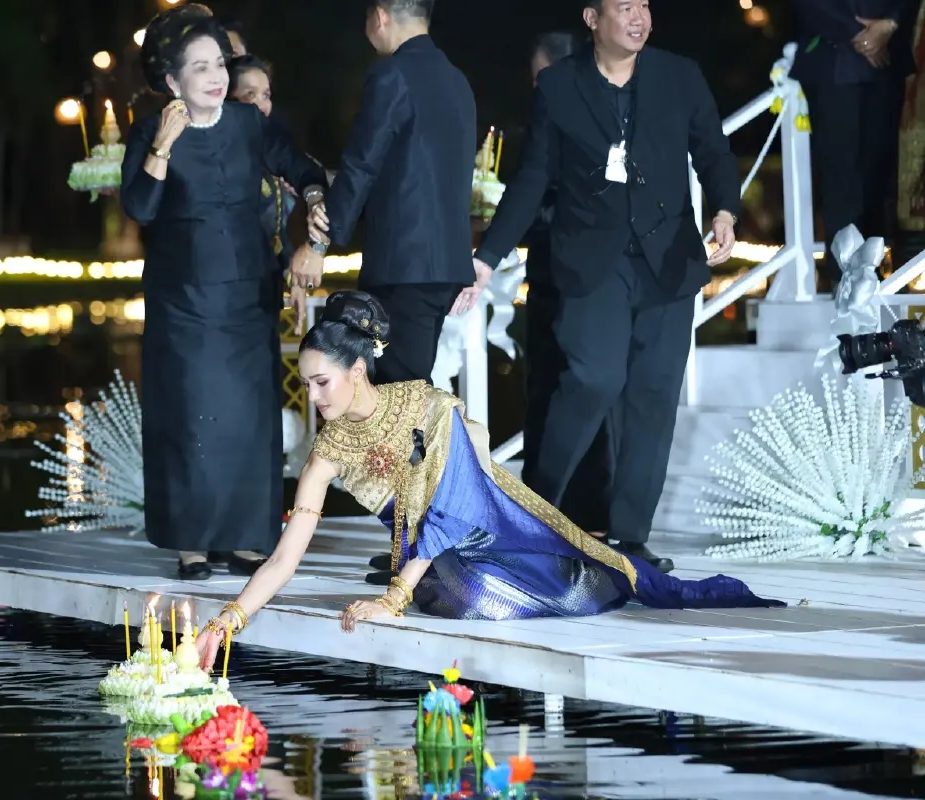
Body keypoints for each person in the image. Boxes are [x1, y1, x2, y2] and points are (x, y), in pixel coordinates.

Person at [193, 291, 783, 663]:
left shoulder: (426, 409)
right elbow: (284, 557)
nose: (313, 394)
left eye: (323, 380)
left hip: (493, 528)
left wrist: (393, 597)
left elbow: (451, 503)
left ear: (357, 368)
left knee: (546, 589)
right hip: (431, 557)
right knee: (459, 594)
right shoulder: (328, 450)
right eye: (308, 381)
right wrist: (226, 623)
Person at [470, 0, 742, 574]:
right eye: (624, 7)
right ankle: (536, 509)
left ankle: (630, 537)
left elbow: (714, 151)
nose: (639, 16)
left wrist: (724, 211)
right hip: (592, 262)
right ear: (593, 20)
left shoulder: (678, 75)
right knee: (594, 377)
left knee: (653, 395)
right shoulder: (559, 86)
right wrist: (489, 255)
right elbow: (533, 177)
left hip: (667, 261)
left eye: (644, 5)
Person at [118, 6, 327, 580]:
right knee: (189, 416)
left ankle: (244, 540)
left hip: (248, 296)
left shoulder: (248, 125)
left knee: (247, 417)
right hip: (181, 299)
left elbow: (301, 165)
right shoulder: (151, 130)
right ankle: (191, 544)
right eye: (200, 68)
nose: (216, 77)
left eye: (220, 65)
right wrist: (161, 146)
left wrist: (312, 200)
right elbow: (139, 206)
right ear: (172, 82)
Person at [286, 0, 480, 389]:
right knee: (404, 388)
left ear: (380, 16)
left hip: (404, 264)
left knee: (397, 395)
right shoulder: (456, 79)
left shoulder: (392, 74)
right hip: (442, 266)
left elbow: (362, 163)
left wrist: (318, 244)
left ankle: (430, 452)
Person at [520, 31, 614, 538]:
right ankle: (552, 511)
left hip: (575, 274)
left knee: (572, 387)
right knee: (550, 387)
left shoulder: (581, 118)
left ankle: (575, 513)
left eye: (539, 79)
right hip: (552, 272)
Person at [790, 0, 917, 291]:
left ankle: (875, 278)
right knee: (839, 177)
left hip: (887, 63)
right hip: (831, 59)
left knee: (880, 176)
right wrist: (858, 34)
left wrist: (890, 25)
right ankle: (842, 282)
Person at [229, 54, 296, 272]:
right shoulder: (215, 159)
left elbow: (276, 234)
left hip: (264, 287)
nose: (261, 103)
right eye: (251, 94)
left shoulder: (270, 156)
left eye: (266, 95)